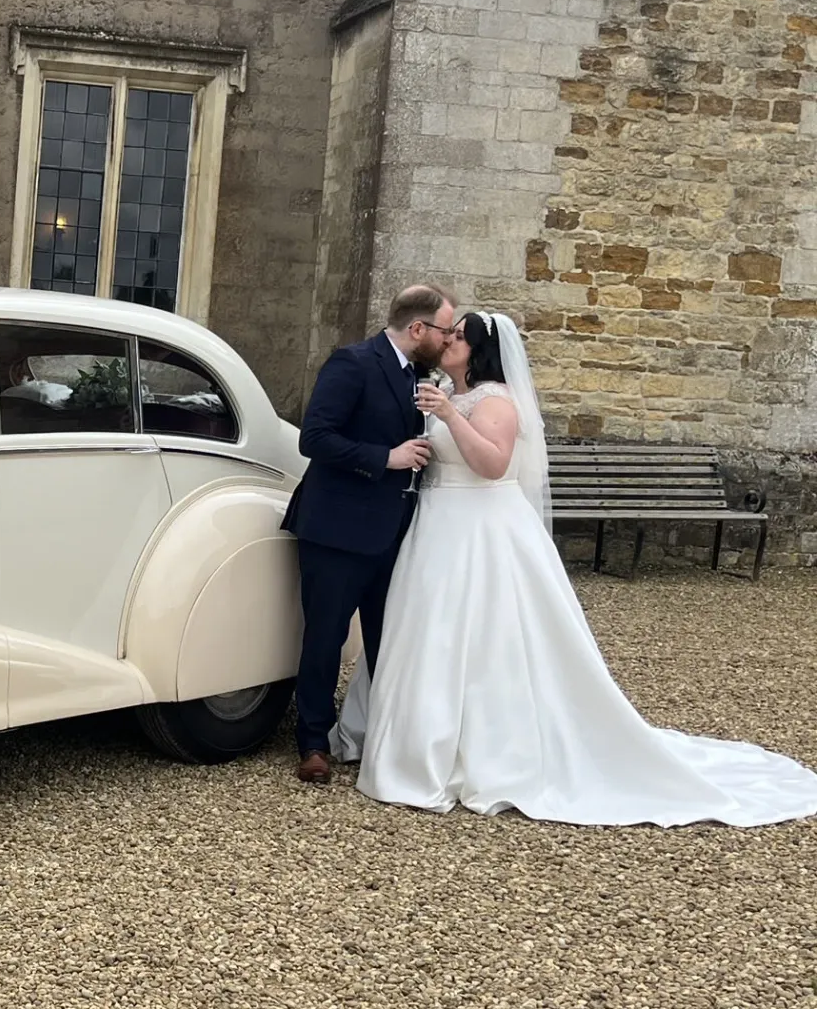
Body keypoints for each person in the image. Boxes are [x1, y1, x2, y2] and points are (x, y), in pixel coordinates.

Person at [334, 310, 817, 827]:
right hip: (436, 524)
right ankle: (405, 735)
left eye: (457, 337)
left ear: (479, 351)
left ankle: (473, 749)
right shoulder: (443, 391)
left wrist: (451, 417)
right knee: (425, 628)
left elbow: (493, 465)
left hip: (479, 529)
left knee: (473, 633)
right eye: (447, 334)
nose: (447, 341)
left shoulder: (496, 399)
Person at [281, 285, 456, 785]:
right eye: (444, 330)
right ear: (418, 329)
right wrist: (386, 458)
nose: (448, 340)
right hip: (336, 530)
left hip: (396, 534)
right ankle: (313, 742)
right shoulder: (353, 363)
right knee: (326, 638)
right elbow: (313, 437)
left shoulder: (424, 379)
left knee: (389, 641)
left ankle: (385, 738)